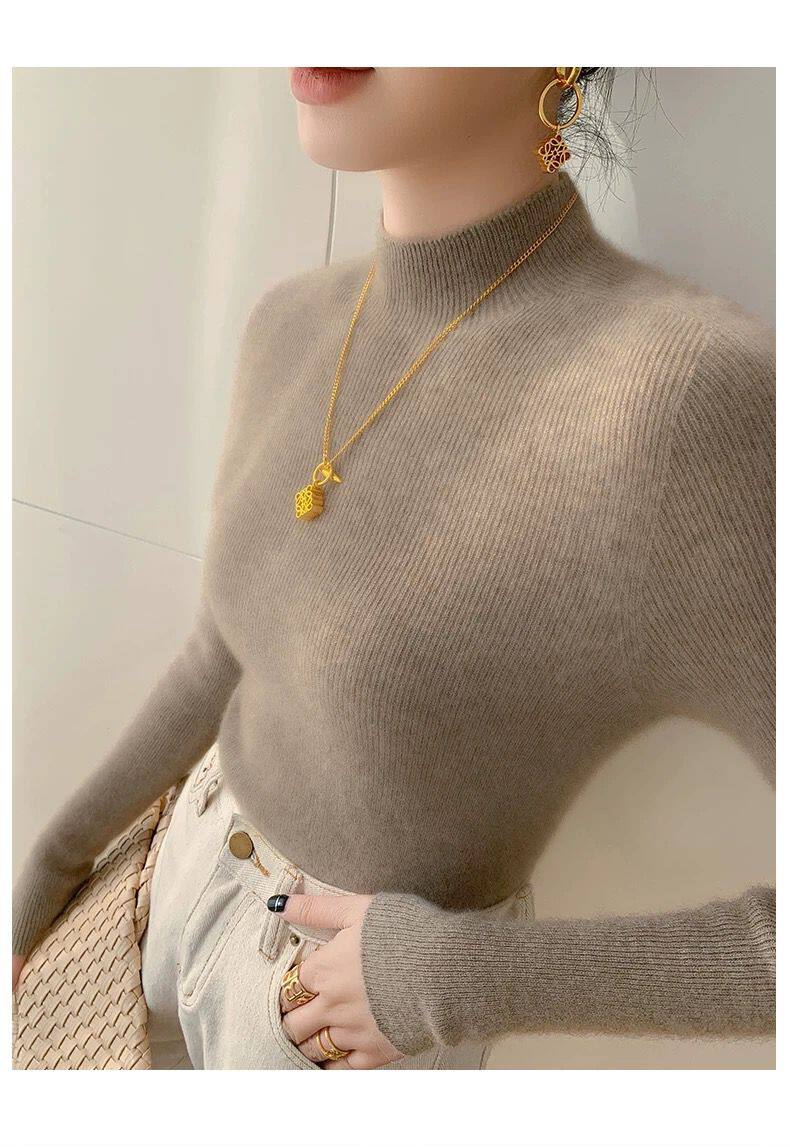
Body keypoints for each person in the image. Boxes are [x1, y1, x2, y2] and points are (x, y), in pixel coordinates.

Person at [12, 67, 775, 1070]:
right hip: (159, 880)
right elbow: (223, 649)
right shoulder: (291, 322)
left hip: (342, 1017)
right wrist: (54, 863)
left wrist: (467, 976)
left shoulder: (677, 400)